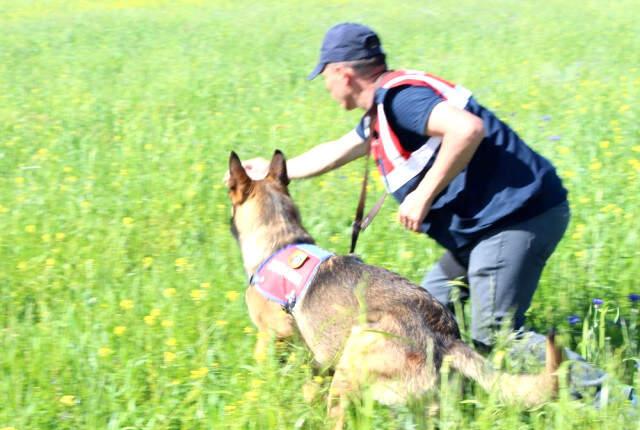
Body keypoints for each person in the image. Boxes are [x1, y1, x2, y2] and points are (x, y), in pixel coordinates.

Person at [240, 22, 570, 352]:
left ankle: (615, 398)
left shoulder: (402, 101)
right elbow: (335, 151)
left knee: (499, 338)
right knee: (419, 321)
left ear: (343, 73)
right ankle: (436, 398)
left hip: (514, 220)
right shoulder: (381, 111)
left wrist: (421, 195)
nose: (325, 85)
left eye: (325, 75)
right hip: (482, 229)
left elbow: (467, 129)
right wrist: (268, 174)